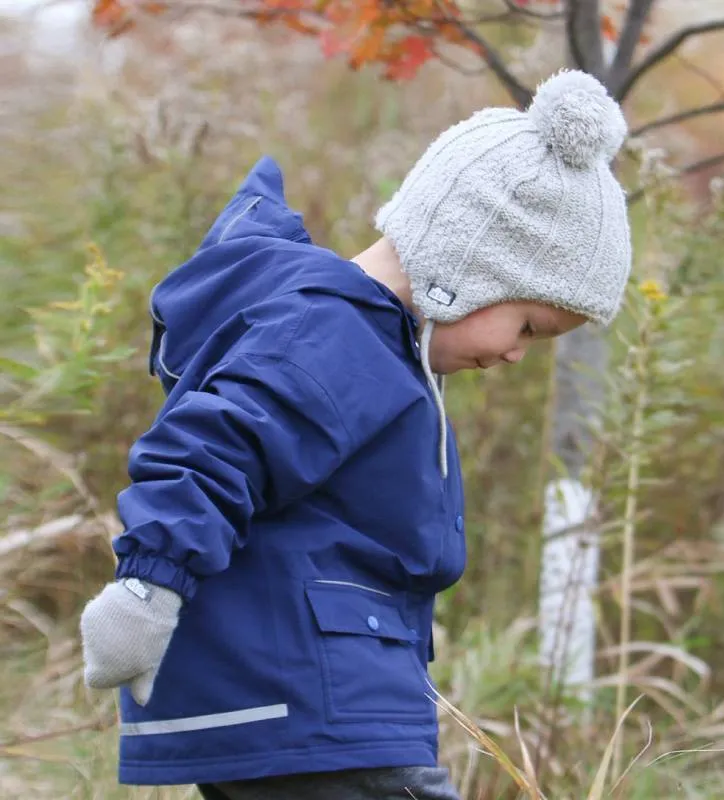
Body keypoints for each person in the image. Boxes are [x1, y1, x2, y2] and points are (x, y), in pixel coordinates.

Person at [79, 69, 631, 799]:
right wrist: (148, 586)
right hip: (314, 696)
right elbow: (216, 444)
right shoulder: (337, 335)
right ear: (466, 266)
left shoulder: (359, 340)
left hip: (309, 694)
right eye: (528, 324)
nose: (515, 354)